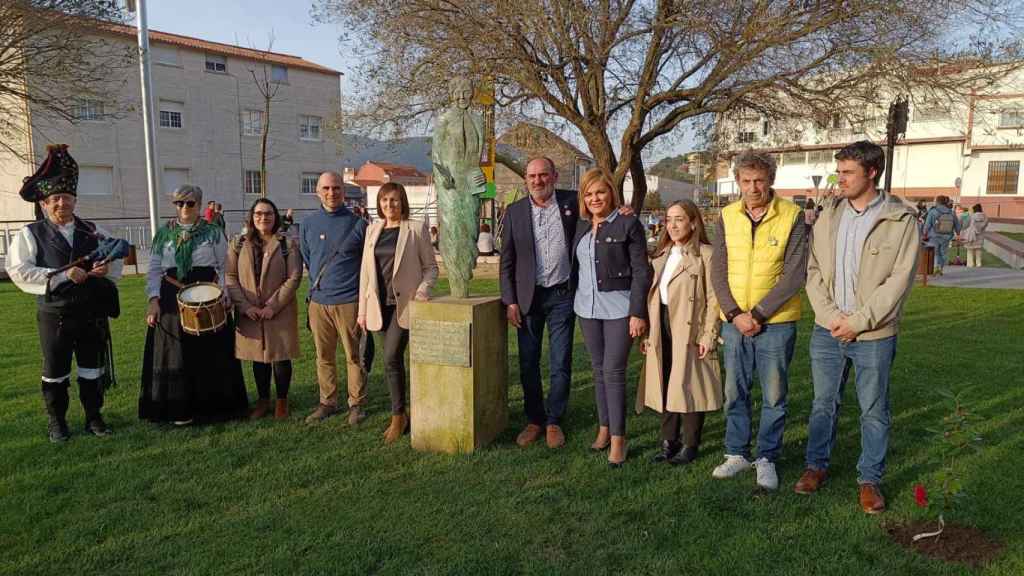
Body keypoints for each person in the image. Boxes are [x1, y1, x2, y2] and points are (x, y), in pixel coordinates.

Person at [797, 141, 920, 515]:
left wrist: (858, 323)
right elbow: (814, 270)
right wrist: (832, 316)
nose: (840, 179)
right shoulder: (829, 214)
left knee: (873, 408)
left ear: (872, 172)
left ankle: (869, 479)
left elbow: (899, 280)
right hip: (827, 329)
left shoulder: (901, 220)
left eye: (848, 172)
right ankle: (815, 466)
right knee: (823, 404)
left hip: (874, 335)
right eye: (839, 171)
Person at [5, 144, 122, 442]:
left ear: (75, 199)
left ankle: (94, 417)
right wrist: (60, 276)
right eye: (55, 198)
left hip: (91, 314)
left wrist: (106, 270)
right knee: (55, 371)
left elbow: (116, 260)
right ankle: (57, 422)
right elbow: (19, 270)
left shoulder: (93, 230)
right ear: (44, 203)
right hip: (55, 315)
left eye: (66, 197)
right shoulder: (30, 234)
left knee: (92, 369)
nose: (61, 203)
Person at [709, 150, 808, 490]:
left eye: (759, 181)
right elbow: (718, 270)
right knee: (734, 390)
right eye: (746, 181)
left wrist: (760, 314)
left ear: (771, 181)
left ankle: (767, 457)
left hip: (776, 321)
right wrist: (736, 315)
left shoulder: (792, 215)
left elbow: (795, 273)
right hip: (734, 322)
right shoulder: (725, 216)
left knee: (774, 393)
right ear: (737, 181)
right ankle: (736, 453)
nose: (753, 188)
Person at [140, 185, 248, 424]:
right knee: (176, 353)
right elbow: (155, 269)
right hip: (171, 296)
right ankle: (178, 409)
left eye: (190, 203)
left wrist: (224, 295)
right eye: (180, 203)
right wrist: (153, 300)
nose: (185, 208)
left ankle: (214, 409)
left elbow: (224, 266)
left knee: (210, 353)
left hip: (207, 295)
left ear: (200, 205)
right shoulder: (163, 234)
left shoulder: (213, 232)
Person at [571, 168, 651, 467]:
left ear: (612, 195)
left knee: (614, 371)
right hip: (586, 308)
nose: (594, 198)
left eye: (600, 192)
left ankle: (619, 438)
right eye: (589, 194)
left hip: (619, 309)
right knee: (597, 369)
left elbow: (642, 270)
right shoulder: (580, 225)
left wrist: (637, 312)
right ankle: (604, 428)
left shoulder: (628, 223)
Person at [499, 157, 579, 448]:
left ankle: (554, 420)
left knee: (560, 361)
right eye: (532, 176)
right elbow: (506, 261)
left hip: (562, 296)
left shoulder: (574, 203)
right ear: (526, 180)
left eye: (543, 175)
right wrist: (510, 301)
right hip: (527, 299)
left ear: (555, 176)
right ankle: (534, 419)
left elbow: (603, 207)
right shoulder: (515, 212)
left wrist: (622, 209)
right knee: (528, 362)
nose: (537, 180)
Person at [641, 200, 720, 467]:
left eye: (679, 219)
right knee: (665, 380)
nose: (672, 225)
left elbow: (714, 298)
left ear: (693, 222)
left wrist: (708, 334)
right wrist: (649, 333)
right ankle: (669, 441)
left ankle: (690, 443)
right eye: (669, 219)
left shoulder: (706, 255)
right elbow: (653, 297)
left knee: (688, 384)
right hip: (662, 323)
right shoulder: (661, 255)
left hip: (689, 326)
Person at [357, 183, 438, 443]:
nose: (389, 205)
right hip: (379, 306)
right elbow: (365, 275)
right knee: (392, 361)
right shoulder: (372, 230)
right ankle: (402, 412)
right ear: (379, 204)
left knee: (391, 356)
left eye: (394, 200)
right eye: (384, 201)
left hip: (404, 306)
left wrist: (423, 290)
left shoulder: (415, 229)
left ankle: (397, 416)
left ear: (402, 202)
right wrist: (361, 311)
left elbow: (431, 268)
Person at [300, 171, 369, 425]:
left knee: (353, 356)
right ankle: (327, 402)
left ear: (344, 191)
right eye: (326, 188)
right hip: (319, 302)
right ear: (318, 191)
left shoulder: (358, 224)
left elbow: (366, 264)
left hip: (349, 300)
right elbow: (309, 259)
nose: (332, 193)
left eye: (337, 188)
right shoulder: (308, 224)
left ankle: (356, 403)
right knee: (323, 356)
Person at [226, 198, 302, 420]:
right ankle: (262, 400)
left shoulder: (287, 244)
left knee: (280, 356)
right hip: (249, 310)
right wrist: (245, 305)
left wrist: (273, 306)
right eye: (258, 213)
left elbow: (294, 277)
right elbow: (230, 276)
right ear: (251, 217)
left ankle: (281, 401)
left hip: (280, 309)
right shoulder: (238, 243)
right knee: (258, 358)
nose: (263, 218)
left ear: (275, 216)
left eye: (268, 213)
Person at [923, 195, 959, 275]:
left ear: (937, 202)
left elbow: (927, 224)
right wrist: (958, 233)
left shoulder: (933, 211)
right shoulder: (951, 212)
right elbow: (957, 224)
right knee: (943, 252)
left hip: (934, 235)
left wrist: (924, 233)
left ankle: (935, 266)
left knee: (935, 252)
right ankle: (941, 268)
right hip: (947, 236)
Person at [961, 203, 989, 268]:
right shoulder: (985, 217)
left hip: (971, 236)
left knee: (970, 250)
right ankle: (978, 264)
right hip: (980, 236)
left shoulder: (972, 216)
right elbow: (985, 225)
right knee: (978, 250)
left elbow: (966, 225)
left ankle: (970, 264)